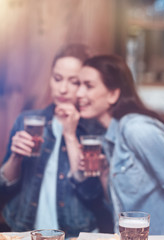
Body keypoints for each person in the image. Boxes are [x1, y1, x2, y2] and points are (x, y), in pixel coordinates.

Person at [75, 54, 164, 240]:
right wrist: (104, 170)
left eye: (88, 86)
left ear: (113, 94)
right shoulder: (111, 137)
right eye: (78, 85)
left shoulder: (137, 129)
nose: (79, 93)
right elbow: (121, 205)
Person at [0, 44, 111, 238]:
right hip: (26, 231)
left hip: (75, 235)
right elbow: (3, 191)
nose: (63, 89)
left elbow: (92, 195)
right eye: (57, 79)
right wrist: (15, 158)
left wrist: (70, 134)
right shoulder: (27, 121)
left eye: (74, 82)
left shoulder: (96, 131)